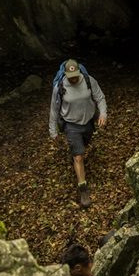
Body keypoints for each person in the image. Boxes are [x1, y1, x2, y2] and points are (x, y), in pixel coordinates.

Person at [49, 59, 107, 208]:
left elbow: (100, 98)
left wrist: (103, 114)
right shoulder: (60, 86)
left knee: (83, 147)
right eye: (71, 76)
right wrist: (53, 131)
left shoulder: (89, 80)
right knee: (79, 156)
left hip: (88, 123)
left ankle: (76, 153)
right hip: (71, 125)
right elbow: (54, 110)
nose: (73, 78)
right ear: (66, 74)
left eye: (76, 75)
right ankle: (83, 190)